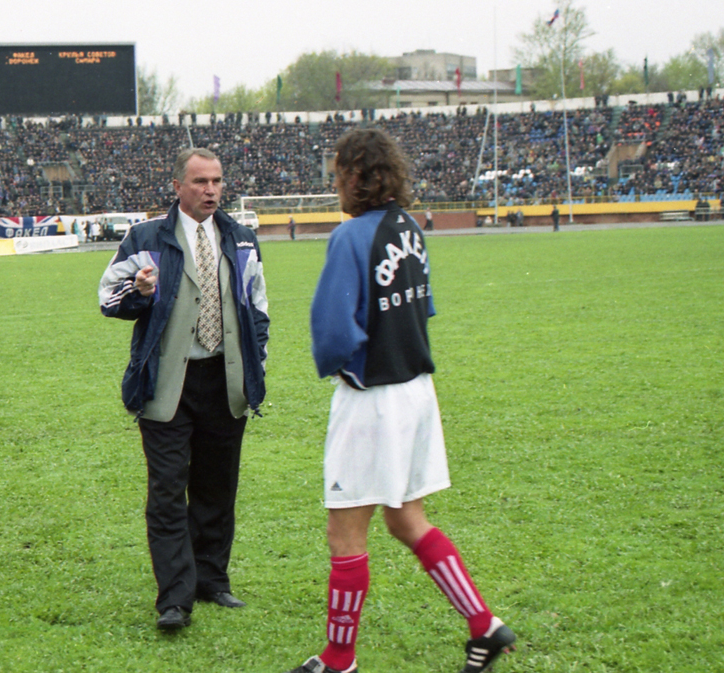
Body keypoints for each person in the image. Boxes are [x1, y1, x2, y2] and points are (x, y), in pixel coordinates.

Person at [290, 128, 515, 673]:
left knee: (345, 532)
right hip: (417, 392)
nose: (336, 185)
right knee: (407, 518)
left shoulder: (351, 236)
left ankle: (339, 659)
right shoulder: (410, 227)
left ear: (355, 176)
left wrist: (343, 366)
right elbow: (423, 307)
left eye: (338, 174)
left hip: (373, 399)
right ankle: (485, 626)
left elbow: (333, 332)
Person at [99, 147, 269, 631]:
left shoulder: (240, 238)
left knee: (217, 486)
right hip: (166, 382)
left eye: (216, 181)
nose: (211, 190)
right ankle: (175, 597)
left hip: (224, 379)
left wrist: (256, 366)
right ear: (177, 186)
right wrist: (140, 293)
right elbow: (108, 297)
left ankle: (211, 579)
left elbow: (257, 308)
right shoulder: (146, 237)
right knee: (168, 490)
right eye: (200, 182)